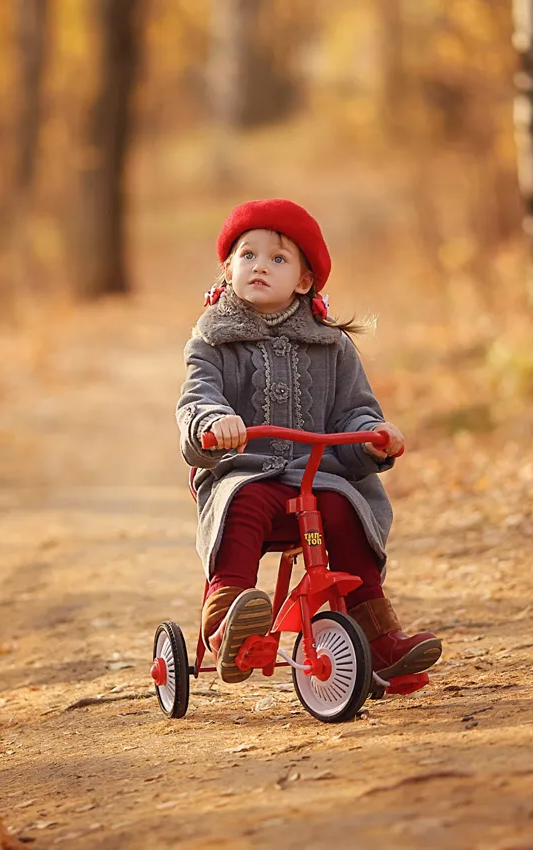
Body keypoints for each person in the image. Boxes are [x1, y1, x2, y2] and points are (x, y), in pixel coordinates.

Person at [176, 197, 442, 684]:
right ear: (228, 268)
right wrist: (215, 424)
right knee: (243, 502)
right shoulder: (211, 341)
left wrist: (371, 439)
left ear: (303, 281)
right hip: (245, 470)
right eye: (248, 255)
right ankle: (229, 618)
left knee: (344, 509)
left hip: (316, 478)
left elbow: (355, 410)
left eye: (278, 259)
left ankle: (375, 635)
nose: (260, 267)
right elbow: (197, 399)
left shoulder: (332, 345)